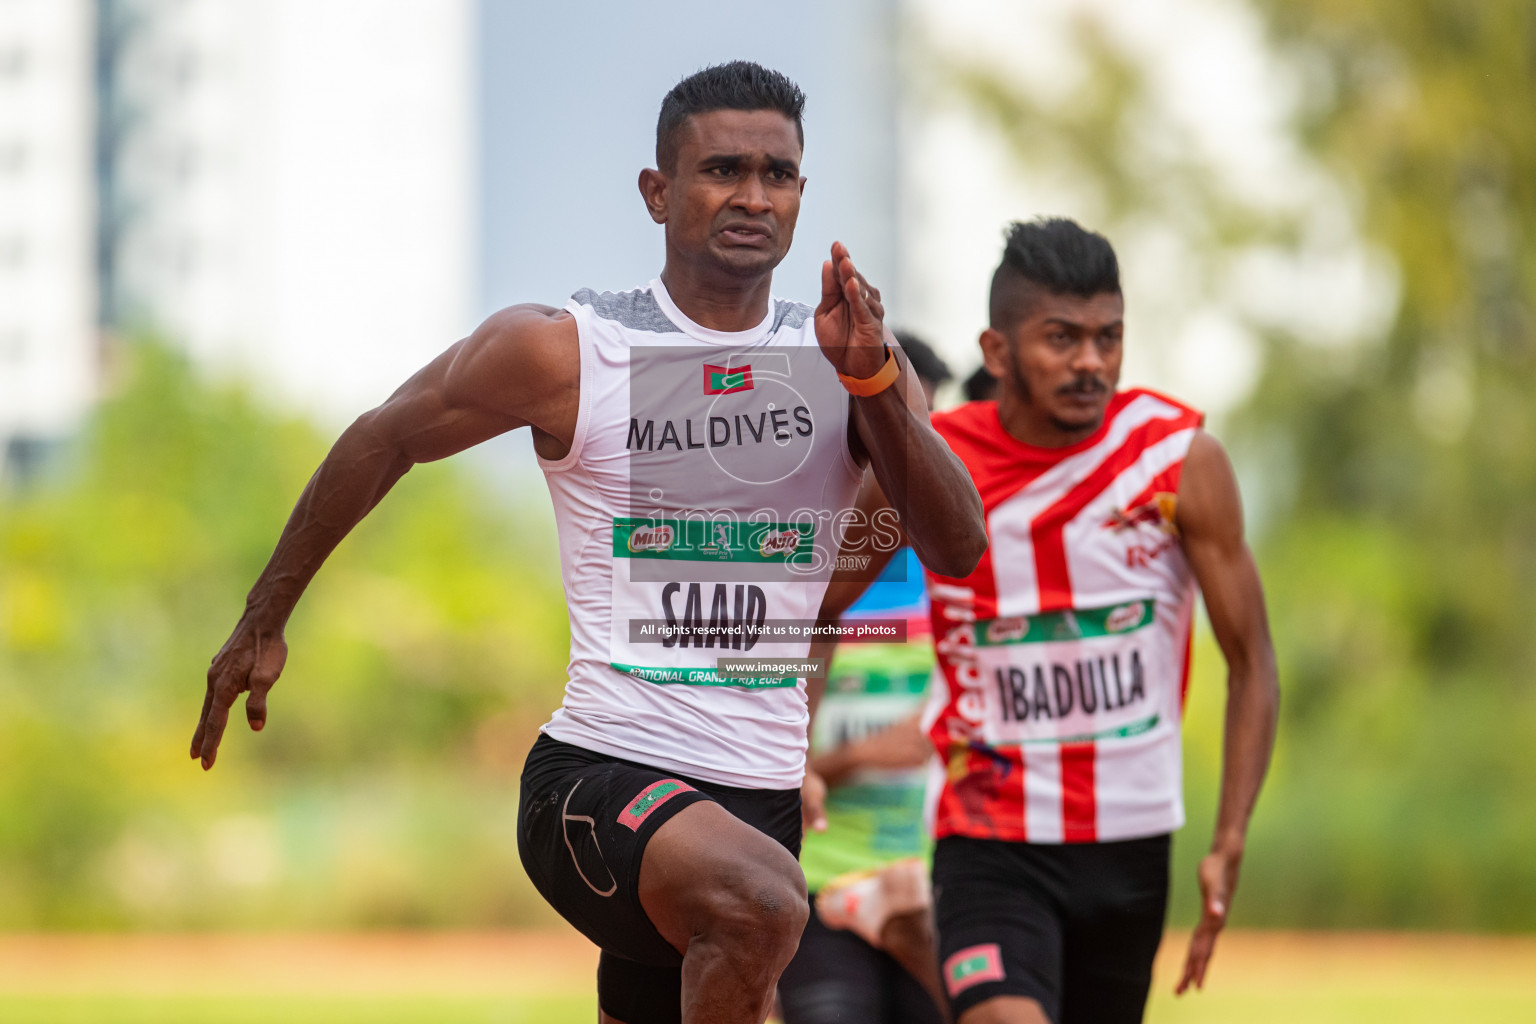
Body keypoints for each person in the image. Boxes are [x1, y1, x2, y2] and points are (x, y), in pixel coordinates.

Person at [190, 62, 987, 1024]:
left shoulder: (846, 359)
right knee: (765, 905)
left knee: (737, 913)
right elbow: (383, 437)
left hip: (761, 797)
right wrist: (262, 618)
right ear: (657, 192)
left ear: (802, 196)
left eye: (777, 174)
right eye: (721, 168)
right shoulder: (571, 350)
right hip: (599, 779)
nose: (751, 194)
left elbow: (955, 546)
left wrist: (871, 387)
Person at [811, 217, 1279, 1024]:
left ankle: (909, 933)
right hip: (989, 836)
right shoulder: (930, 464)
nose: (1091, 361)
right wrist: (795, 753)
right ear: (997, 353)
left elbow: (1254, 661)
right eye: (1062, 338)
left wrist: (1231, 833)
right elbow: (815, 610)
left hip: (1130, 844)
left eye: (1109, 337)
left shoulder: (1178, 460)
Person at [778, 332, 952, 1024]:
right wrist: (851, 759)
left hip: (934, 883)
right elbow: (753, 748)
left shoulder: (958, 570)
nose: (909, 453)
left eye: (924, 428)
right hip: (824, 885)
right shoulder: (799, 573)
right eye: (888, 424)